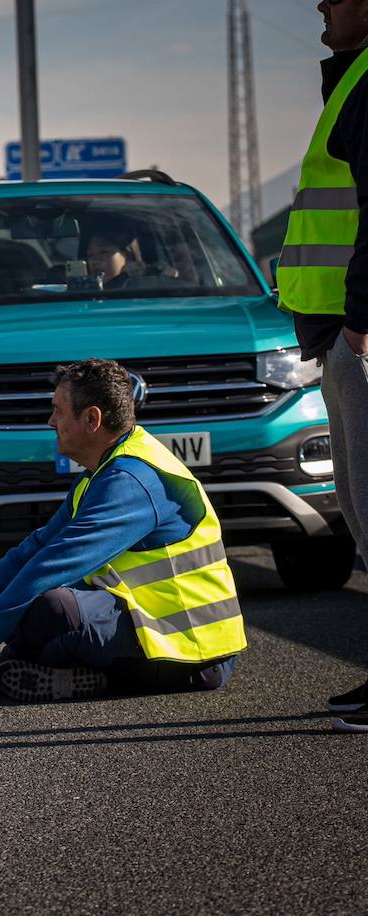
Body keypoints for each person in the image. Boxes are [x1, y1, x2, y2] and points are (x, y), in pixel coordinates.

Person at [0, 358, 245, 703]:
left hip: (193, 654)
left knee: (49, 606)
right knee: (31, 600)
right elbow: (32, 552)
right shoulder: (102, 475)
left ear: (91, 419)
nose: (51, 422)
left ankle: (38, 669)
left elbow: (54, 563)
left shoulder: (131, 481)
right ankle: (29, 669)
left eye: (58, 411)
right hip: (154, 635)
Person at [278, 0, 368, 732]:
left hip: (359, 332)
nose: (319, 7)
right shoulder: (352, 77)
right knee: (362, 510)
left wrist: (361, 319)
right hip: (341, 330)